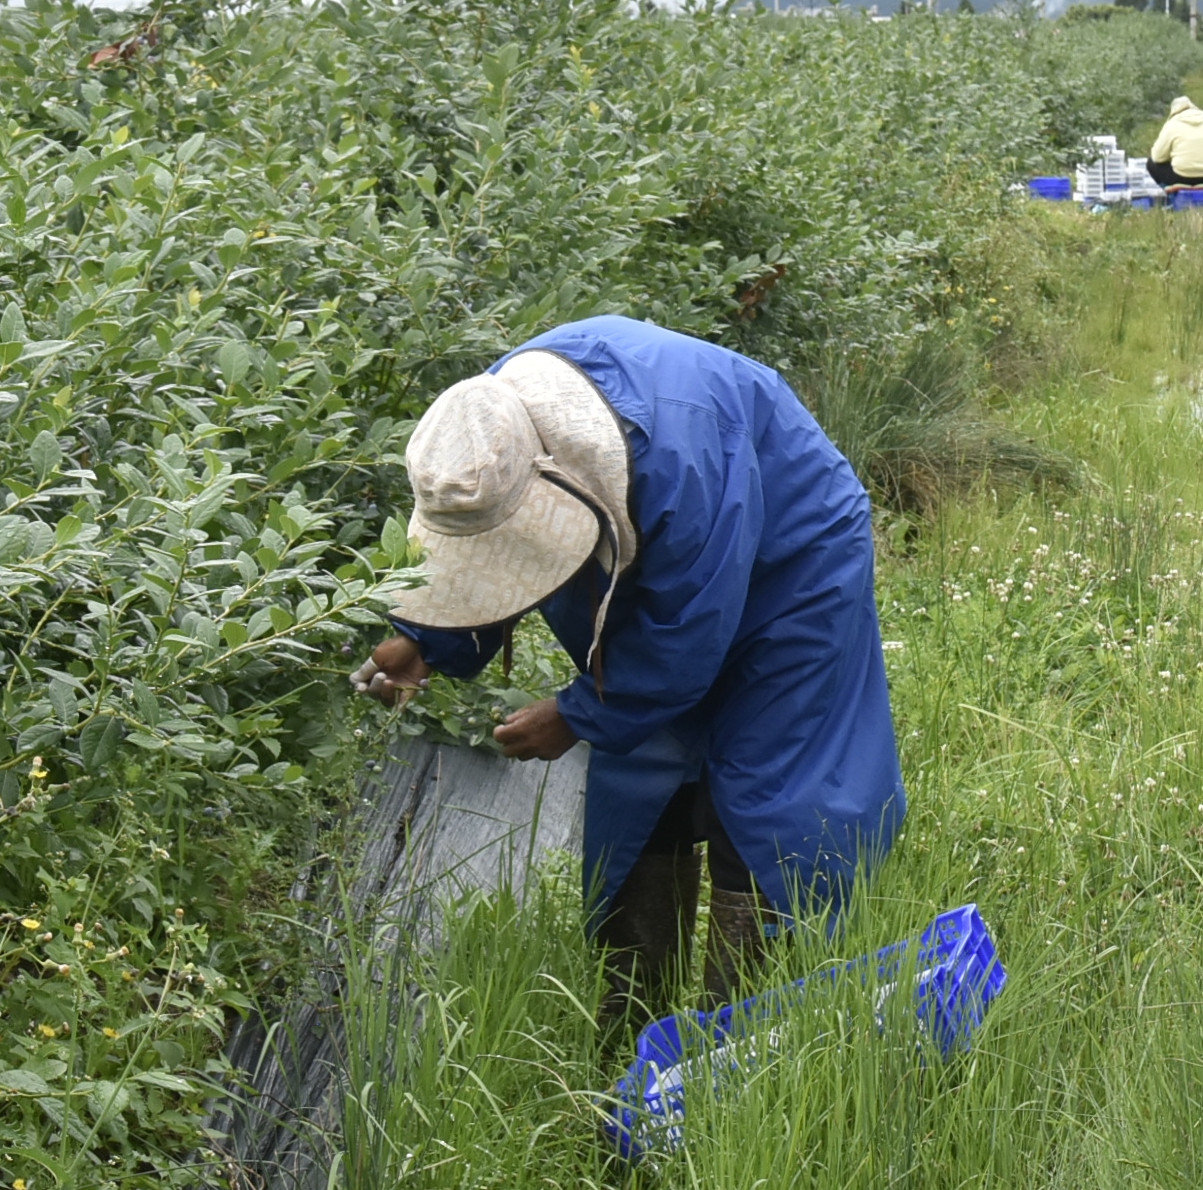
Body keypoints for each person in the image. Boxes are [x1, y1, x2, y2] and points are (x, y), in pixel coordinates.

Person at [353, 315, 908, 1034]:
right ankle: (634, 1023)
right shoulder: (485, 428)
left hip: (792, 558)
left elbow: (684, 640)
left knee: (775, 785)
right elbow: (490, 551)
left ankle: (742, 1037)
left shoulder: (679, 463)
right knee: (639, 771)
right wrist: (424, 638)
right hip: (678, 534)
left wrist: (576, 716)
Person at [1145, 93, 1203, 190]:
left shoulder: (1172, 124)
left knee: (1151, 163)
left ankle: (1171, 191)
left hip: (1182, 178)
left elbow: (1157, 157)